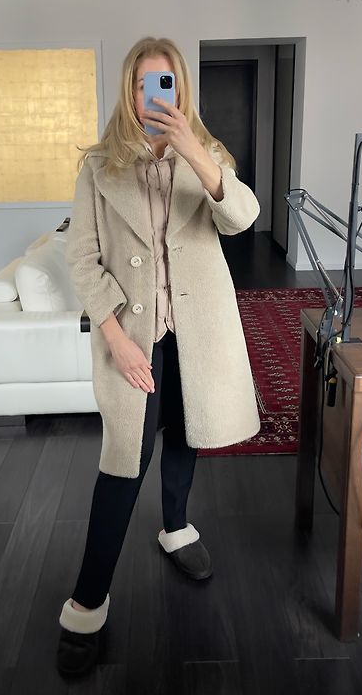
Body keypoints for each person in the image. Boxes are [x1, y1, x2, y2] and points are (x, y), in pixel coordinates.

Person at [57, 36, 261, 678]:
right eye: (146, 83)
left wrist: (194, 150)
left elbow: (242, 219)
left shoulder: (209, 156)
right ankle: (87, 603)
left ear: (180, 89)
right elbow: (81, 259)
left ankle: (176, 527)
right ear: (130, 90)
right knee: (124, 460)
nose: (156, 96)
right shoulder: (98, 166)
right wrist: (115, 337)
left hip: (196, 330)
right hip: (132, 335)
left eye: (166, 83)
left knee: (186, 431)